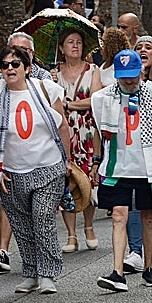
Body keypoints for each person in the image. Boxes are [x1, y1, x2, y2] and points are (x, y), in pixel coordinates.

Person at [0, 46, 71, 294]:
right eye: (5, 64)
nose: (10, 68)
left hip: (48, 166)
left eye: (15, 64)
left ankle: (48, 273)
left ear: (27, 68)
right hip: (12, 170)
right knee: (22, 224)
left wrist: (67, 162)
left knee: (42, 218)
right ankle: (31, 271)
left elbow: (63, 127)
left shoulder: (45, 90)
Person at [91, 50, 152, 292]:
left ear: (141, 71)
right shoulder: (103, 98)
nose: (128, 81)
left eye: (133, 75)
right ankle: (117, 272)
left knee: (148, 216)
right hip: (117, 165)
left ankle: (148, 267)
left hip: (148, 164)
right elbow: (98, 131)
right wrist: (96, 162)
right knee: (118, 215)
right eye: (123, 76)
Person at [54, 29, 102, 253]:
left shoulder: (93, 70)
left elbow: (95, 99)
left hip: (87, 131)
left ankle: (89, 227)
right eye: (70, 42)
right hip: (63, 132)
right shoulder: (55, 74)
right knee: (67, 181)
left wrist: (68, 105)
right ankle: (71, 234)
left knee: (88, 180)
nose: (75, 46)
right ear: (62, 48)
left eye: (79, 42)